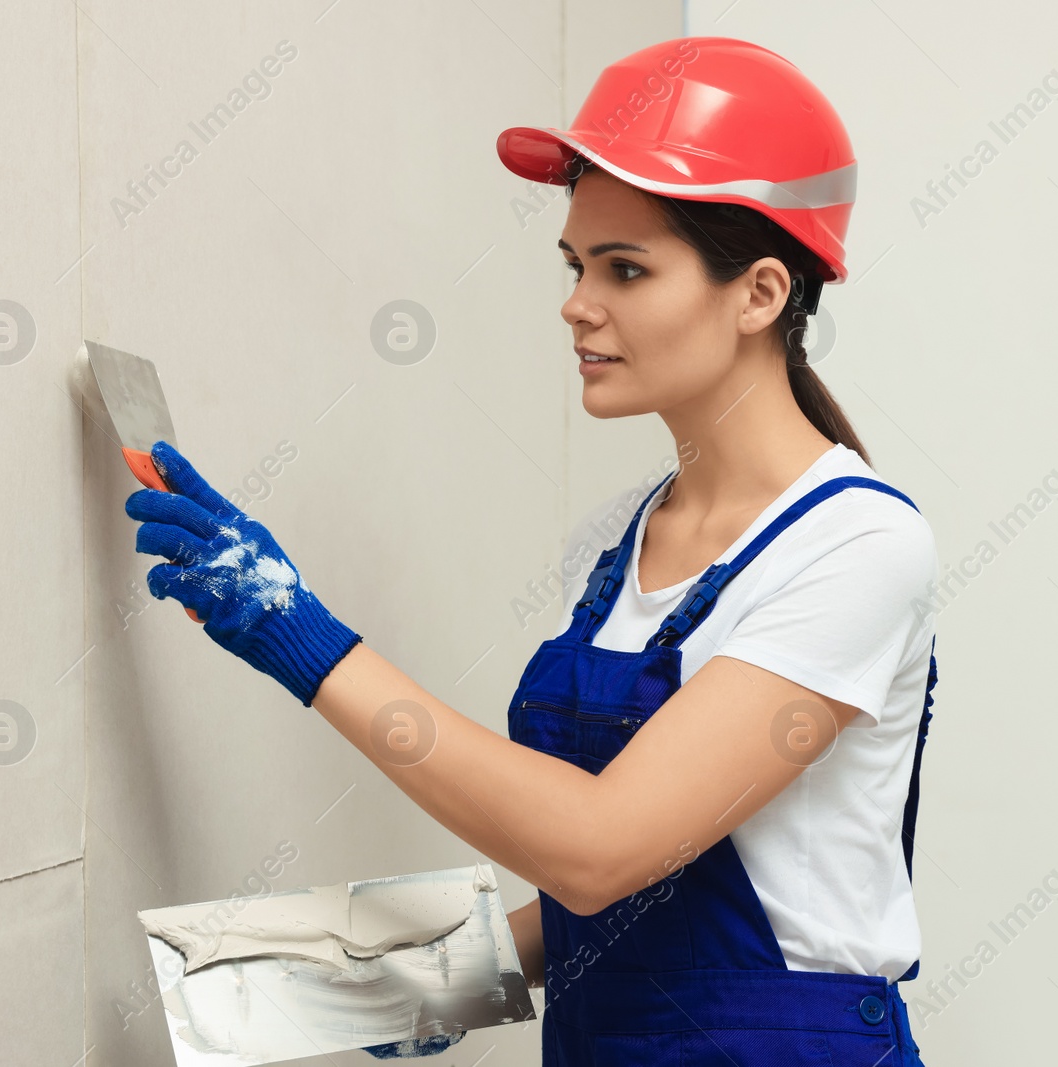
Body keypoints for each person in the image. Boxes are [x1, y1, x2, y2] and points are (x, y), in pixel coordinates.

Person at [127, 35, 938, 1067]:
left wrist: (301, 632)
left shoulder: (858, 544)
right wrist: (424, 982)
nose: (576, 303)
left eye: (626, 268)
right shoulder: (611, 543)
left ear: (761, 293)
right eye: (575, 264)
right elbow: (647, 885)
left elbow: (602, 846)